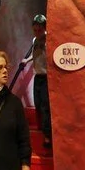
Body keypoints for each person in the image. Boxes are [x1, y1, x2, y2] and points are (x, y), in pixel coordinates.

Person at [22, 14, 51, 148]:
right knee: (38, 105)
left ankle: (47, 138)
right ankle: (42, 130)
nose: (37, 32)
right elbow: (35, 55)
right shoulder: (35, 41)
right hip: (37, 76)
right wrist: (26, 60)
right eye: (35, 30)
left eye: (40, 30)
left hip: (46, 77)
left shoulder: (48, 41)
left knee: (45, 107)